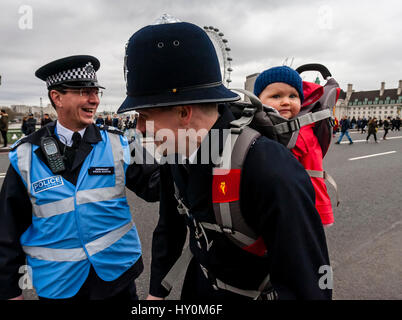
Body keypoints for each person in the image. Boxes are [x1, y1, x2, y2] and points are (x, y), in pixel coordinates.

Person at [117, 20, 331, 300]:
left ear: (184, 113)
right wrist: (156, 293)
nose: (140, 129)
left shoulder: (268, 168)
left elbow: (307, 286)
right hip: (200, 287)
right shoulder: (176, 153)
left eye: (144, 116)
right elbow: (169, 230)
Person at [0, 55, 160, 300]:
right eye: (85, 92)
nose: (95, 100)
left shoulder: (120, 141)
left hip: (115, 278)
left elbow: (157, 186)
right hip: (60, 285)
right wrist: (6, 292)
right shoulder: (25, 155)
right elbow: (7, 229)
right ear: (56, 97)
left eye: (96, 92)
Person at [254, 66, 334, 226]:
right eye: (276, 96)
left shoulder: (299, 134)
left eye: (293, 96)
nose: (285, 101)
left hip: (303, 209)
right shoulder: (281, 126)